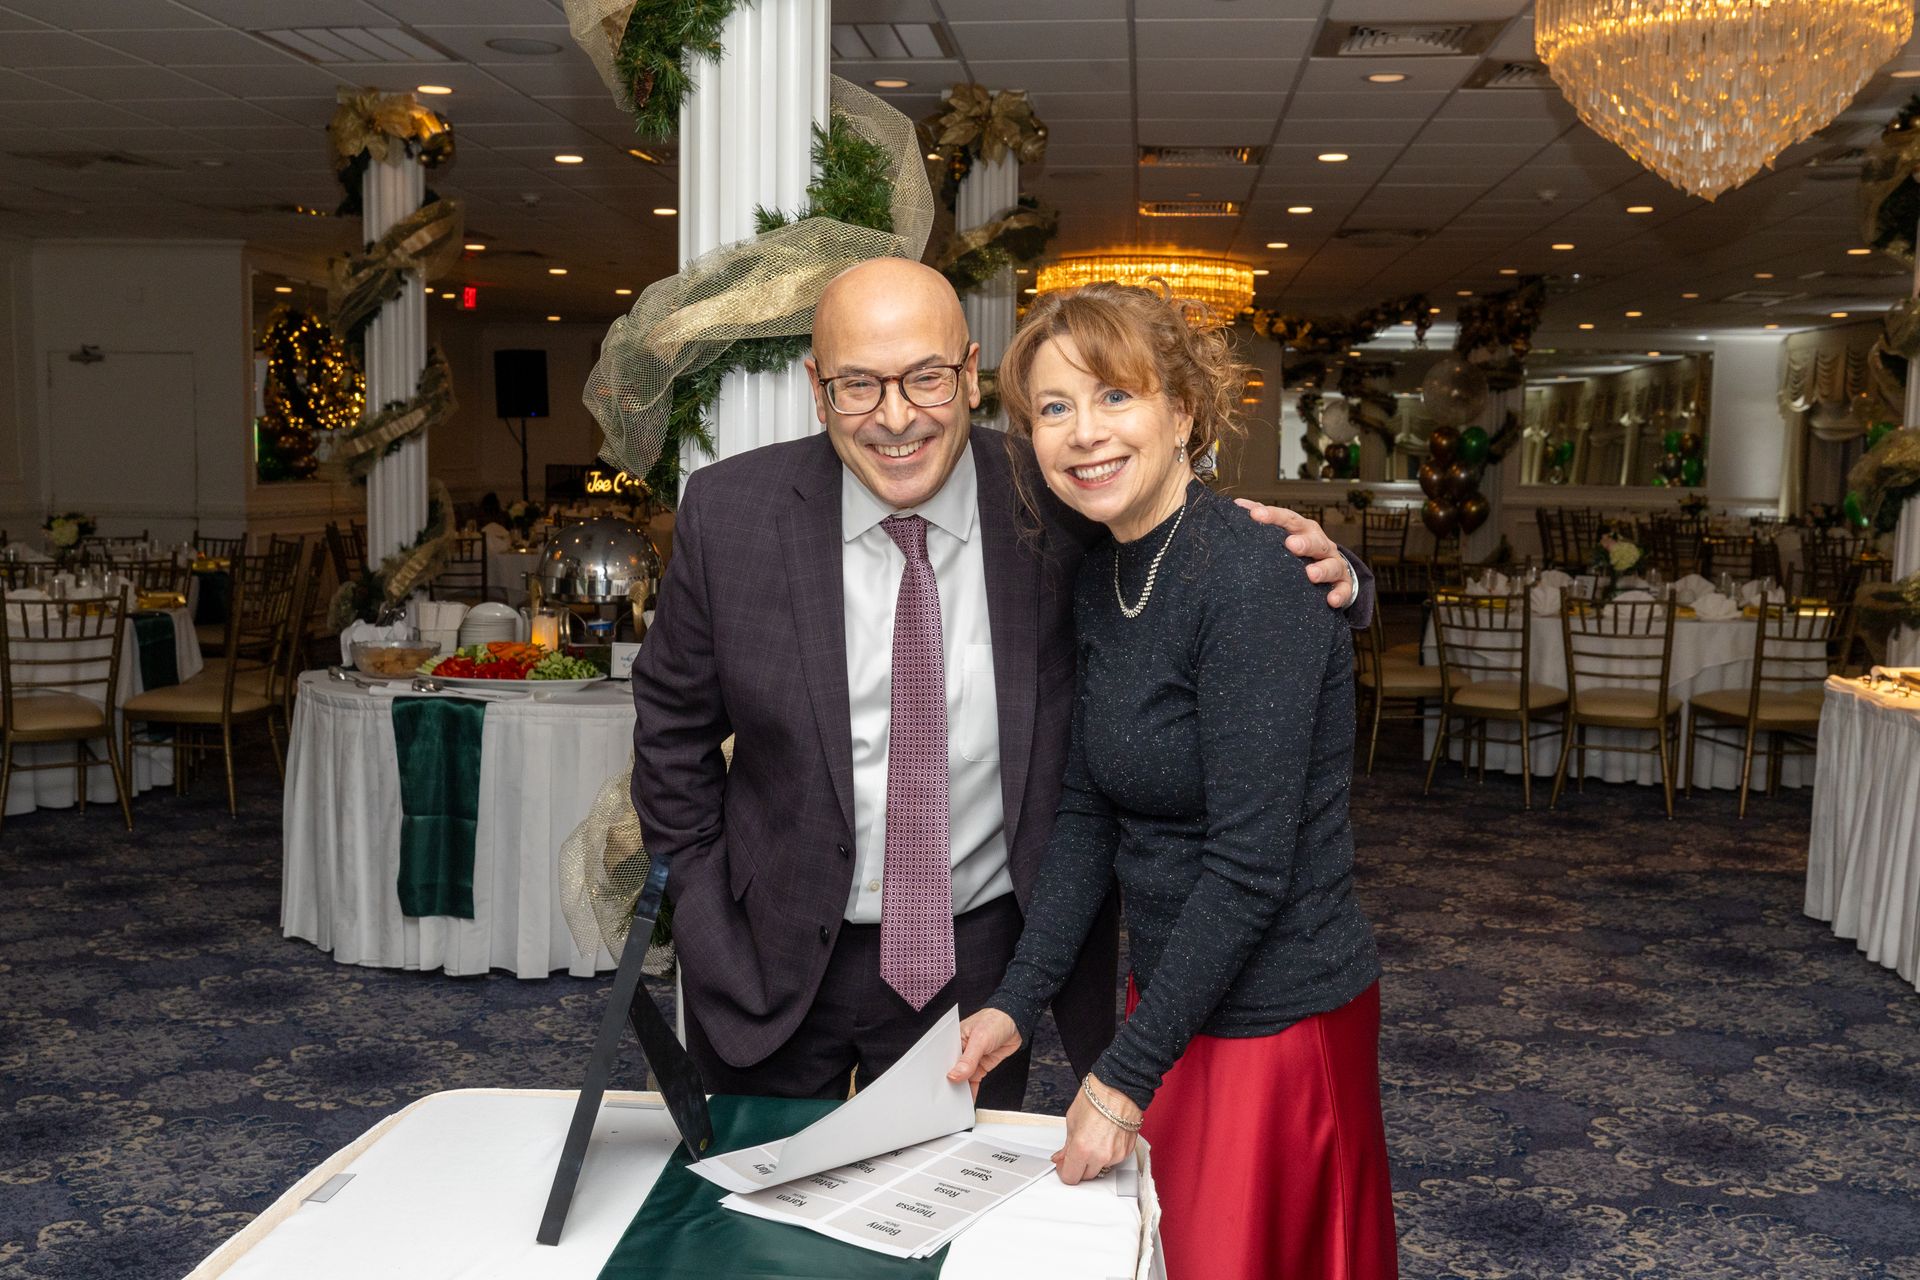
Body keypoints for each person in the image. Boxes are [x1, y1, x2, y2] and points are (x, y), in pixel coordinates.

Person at [629, 258, 1373, 1111]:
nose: (897, 417)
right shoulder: (732, 513)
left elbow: (1188, 545)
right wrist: (702, 919)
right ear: (816, 386)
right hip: (768, 956)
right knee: (748, 1224)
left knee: (943, 1233)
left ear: (971, 375)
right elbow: (670, 732)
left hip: (979, 969)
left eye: (926, 379)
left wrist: (1341, 582)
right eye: (859, 386)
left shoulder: (1057, 497)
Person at [950, 282, 1397, 1279]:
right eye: (1054, 408)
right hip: (1175, 996)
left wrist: (1122, 1076)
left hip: (1278, 1015)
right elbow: (1086, 811)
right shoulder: (1105, 573)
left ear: (1183, 412)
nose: (1082, 433)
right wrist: (1020, 995)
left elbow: (1248, 866)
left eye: (1115, 397)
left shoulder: (1250, 575)